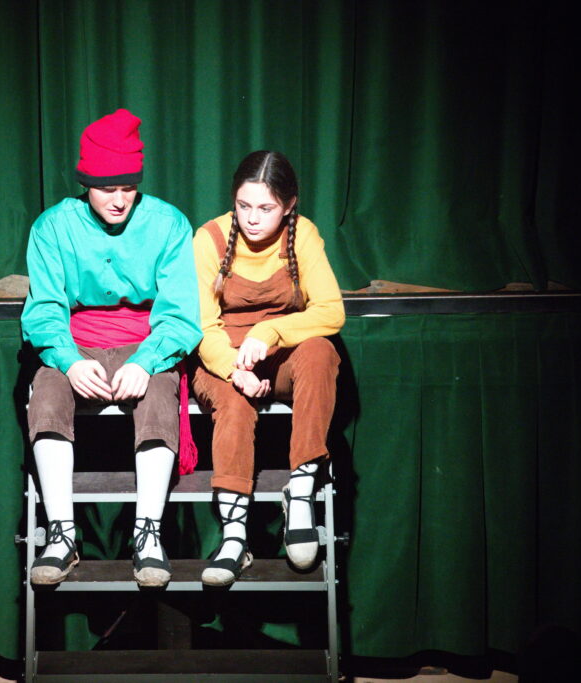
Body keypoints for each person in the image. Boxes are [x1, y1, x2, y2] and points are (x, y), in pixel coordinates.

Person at [22, 109, 201, 587]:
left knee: (159, 395)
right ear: (86, 185)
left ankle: (148, 534)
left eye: (128, 188)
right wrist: (68, 361)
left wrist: (147, 360)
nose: (119, 200)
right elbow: (44, 309)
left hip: (145, 341)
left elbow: (181, 313)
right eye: (107, 189)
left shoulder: (168, 223)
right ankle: (61, 535)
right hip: (76, 341)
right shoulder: (52, 227)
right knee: (47, 394)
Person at [191, 150, 344, 585]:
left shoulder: (303, 234)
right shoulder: (209, 239)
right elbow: (202, 326)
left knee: (320, 352)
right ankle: (234, 536)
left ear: (289, 205)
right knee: (234, 403)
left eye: (266, 208)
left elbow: (331, 311)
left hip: (278, 354)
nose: (253, 218)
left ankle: (301, 491)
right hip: (222, 358)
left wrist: (271, 331)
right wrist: (233, 369)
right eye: (244, 205)